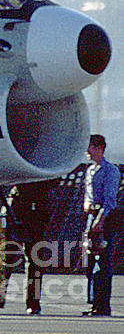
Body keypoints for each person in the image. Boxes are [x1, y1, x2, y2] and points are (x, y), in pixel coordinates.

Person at [82, 134, 121, 316]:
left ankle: (103, 304)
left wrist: (100, 219)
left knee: (103, 262)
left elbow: (110, 200)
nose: (87, 151)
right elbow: (88, 195)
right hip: (91, 216)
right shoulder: (90, 171)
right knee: (90, 262)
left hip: (104, 218)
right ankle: (94, 301)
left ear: (98, 148)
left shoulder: (110, 171)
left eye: (89, 147)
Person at [8, 179, 57, 315]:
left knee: (35, 259)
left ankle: (33, 302)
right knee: (8, 255)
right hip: (18, 206)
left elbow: (55, 181)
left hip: (37, 209)